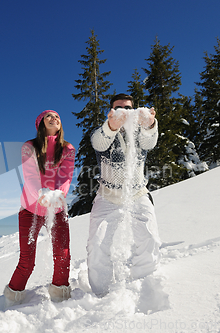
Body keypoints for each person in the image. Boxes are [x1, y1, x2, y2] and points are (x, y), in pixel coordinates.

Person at [87, 93, 162, 297]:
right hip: (107, 197)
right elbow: (98, 143)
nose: (124, 112)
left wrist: (150, 124)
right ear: (111, 111)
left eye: (128, 108)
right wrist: (111, 126)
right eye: (119, 108)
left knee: (149, 237)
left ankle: (144, 282)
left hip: (137, 193)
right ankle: (100, 292)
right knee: (97, 243)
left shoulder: (139, 131)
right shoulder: (102, 131)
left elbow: (150, 142)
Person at [4, 110, 76, 307]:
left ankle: (61, 299)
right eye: (49, 117)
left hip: (57, 209)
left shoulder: (68, 148)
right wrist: (41, 195)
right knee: (27, 261)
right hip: (30, 209)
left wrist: (58, 195)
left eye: (58, 117)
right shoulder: (29, 147)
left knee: (63, 255)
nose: (55, 119)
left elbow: (65, 176)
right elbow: (30, 176)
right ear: (40, 124)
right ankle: (12, 299)